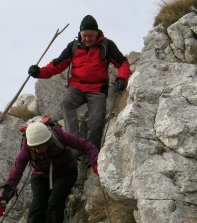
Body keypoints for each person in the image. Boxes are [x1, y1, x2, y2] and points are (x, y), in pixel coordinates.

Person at [0, 121, 99, 223]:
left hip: (65, 171)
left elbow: (85, 144)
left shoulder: (59, 135)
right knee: (38, 204)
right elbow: (15, 173)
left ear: (48, 139)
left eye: (42, 145)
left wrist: (95, 162)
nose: (39, 149)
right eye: (35, 147)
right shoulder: (26, 149)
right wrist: (3, 199)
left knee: (55, 202)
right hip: (40, 175)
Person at [28, 15, 131, 149]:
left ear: (97, 33)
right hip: (76, 87)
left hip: (97, 89)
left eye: (90, 35)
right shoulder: (73, 46)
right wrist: (39, 72)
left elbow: (122, 62)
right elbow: (57, 65)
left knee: (96, 119)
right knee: (66, 102)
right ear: (80, 34)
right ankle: (74, 144)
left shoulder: (106, 45)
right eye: (84, 35)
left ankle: (91, 152)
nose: (87, 39)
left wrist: (122, 78)